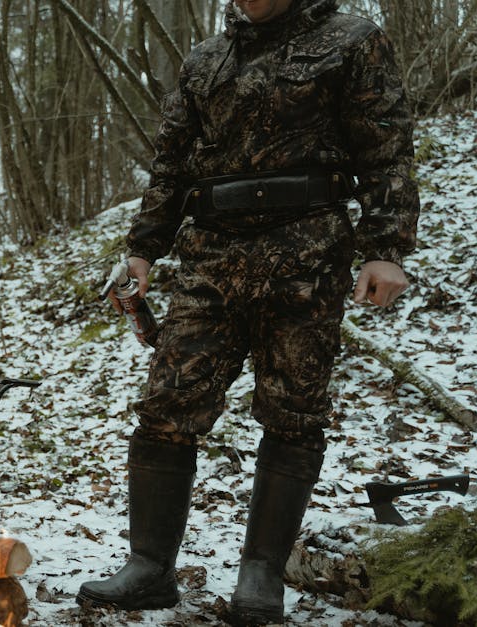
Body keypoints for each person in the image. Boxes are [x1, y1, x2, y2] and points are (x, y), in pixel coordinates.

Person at [77, 0, 418, 624]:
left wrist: (386, 248)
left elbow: (387, 148)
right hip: (212, 255)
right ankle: (150, 566)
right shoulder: (206, 60)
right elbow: (171, 163)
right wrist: (143, 250)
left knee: (293, 411)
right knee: (167, 405)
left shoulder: (351, 39)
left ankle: (260, 575)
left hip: (307, 251)